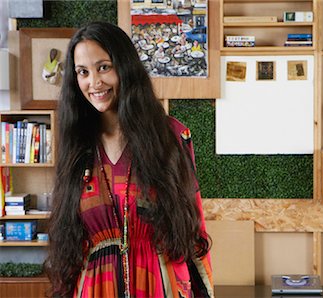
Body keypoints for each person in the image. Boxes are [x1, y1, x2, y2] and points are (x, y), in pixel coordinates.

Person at [45, 21, 213, 298]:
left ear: (125, 67)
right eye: (82, 72)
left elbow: (193, 230)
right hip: (95, 288)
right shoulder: (76, 144)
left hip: (161, 285)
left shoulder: (171, 136)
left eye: (104, 67)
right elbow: (68, 241)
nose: (94, 82)